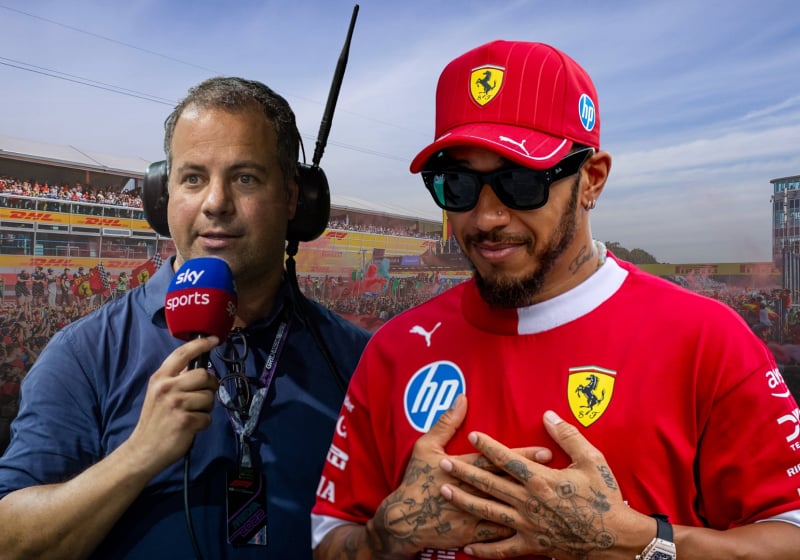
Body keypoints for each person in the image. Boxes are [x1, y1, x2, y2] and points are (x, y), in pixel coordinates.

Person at [311, 40, 800, 559]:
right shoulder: (394, 348)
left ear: (592, 180)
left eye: (520, 182)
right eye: (457, 184)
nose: (486, 218)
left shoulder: (707, 340)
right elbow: (328, 540)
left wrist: (641, 544)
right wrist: (387, 536)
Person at [0, 76, 370, 558]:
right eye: (193, 178)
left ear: (294, 199)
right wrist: (138, 455)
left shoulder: (358, 359)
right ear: (164, 195)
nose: (216, 203)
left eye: (245, 178)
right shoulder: (85, 353)